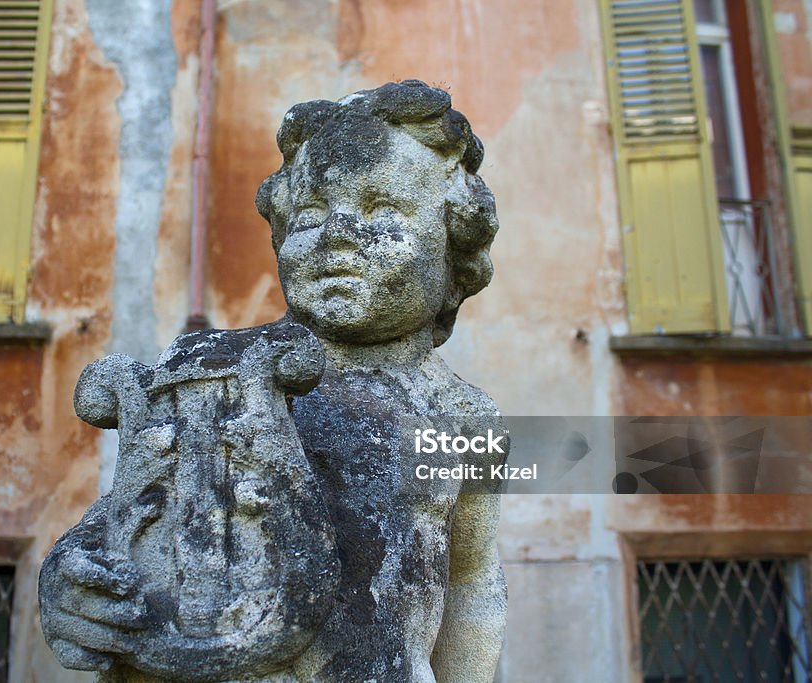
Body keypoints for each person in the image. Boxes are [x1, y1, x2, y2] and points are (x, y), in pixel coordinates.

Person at [40, 80, 506, 682]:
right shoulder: (219, 372)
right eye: (310, 214)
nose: (338, 234)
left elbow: (472, 579)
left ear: (454, 244)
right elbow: (129, 522)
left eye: (383, 211)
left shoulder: (464, 416)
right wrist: (71, 586)